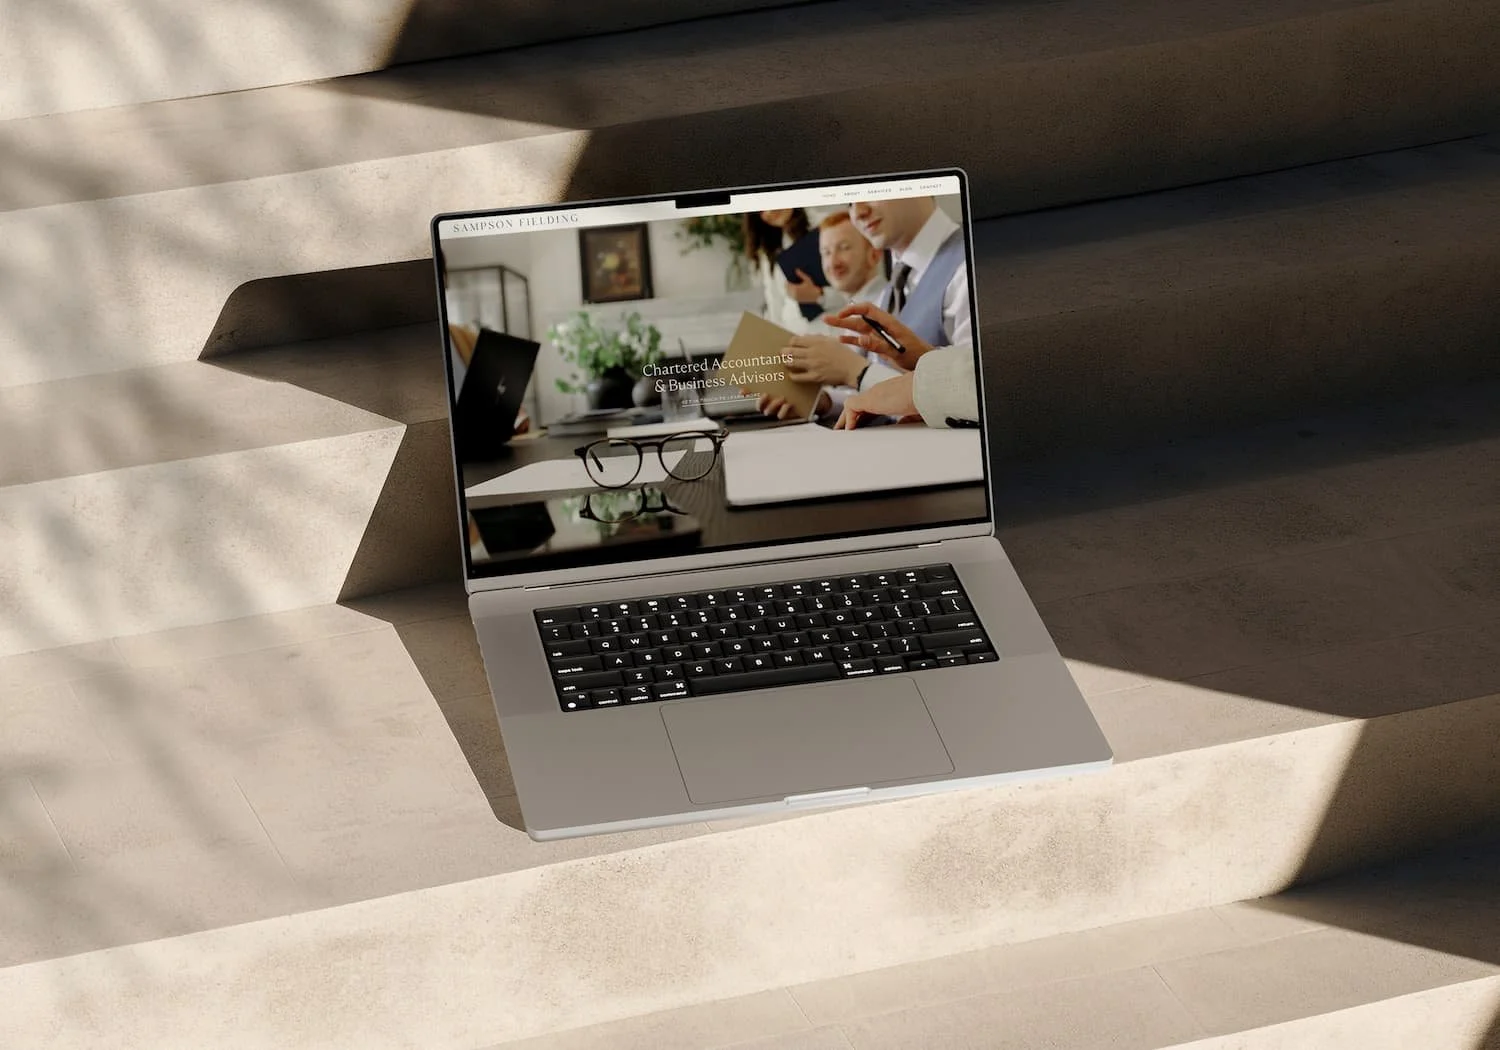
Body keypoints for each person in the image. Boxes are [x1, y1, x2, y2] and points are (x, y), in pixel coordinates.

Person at [823, 195, 979, 430]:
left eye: (870, 191)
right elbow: (885, 394)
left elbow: (977, 388)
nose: (858, 212)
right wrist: (825, 402)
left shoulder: (974, 264)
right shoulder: (891, 289)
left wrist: (855, 371)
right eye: (850, 203)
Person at [747, 211, 899, 420]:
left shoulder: (885, 309)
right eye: (825, 253)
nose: (832, 261)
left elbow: (892, 393)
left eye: (844, 248)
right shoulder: (855, 309)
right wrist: (820, 401)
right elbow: (865, 390)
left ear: (874, 254)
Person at [742, 208, 848, 335]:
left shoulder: (829, 226)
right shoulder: (770, 251)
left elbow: (862, 287)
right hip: (796, 336)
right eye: (761, 211)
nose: (769, 212)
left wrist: (820, 296)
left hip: (837, 331)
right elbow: (775, 306)